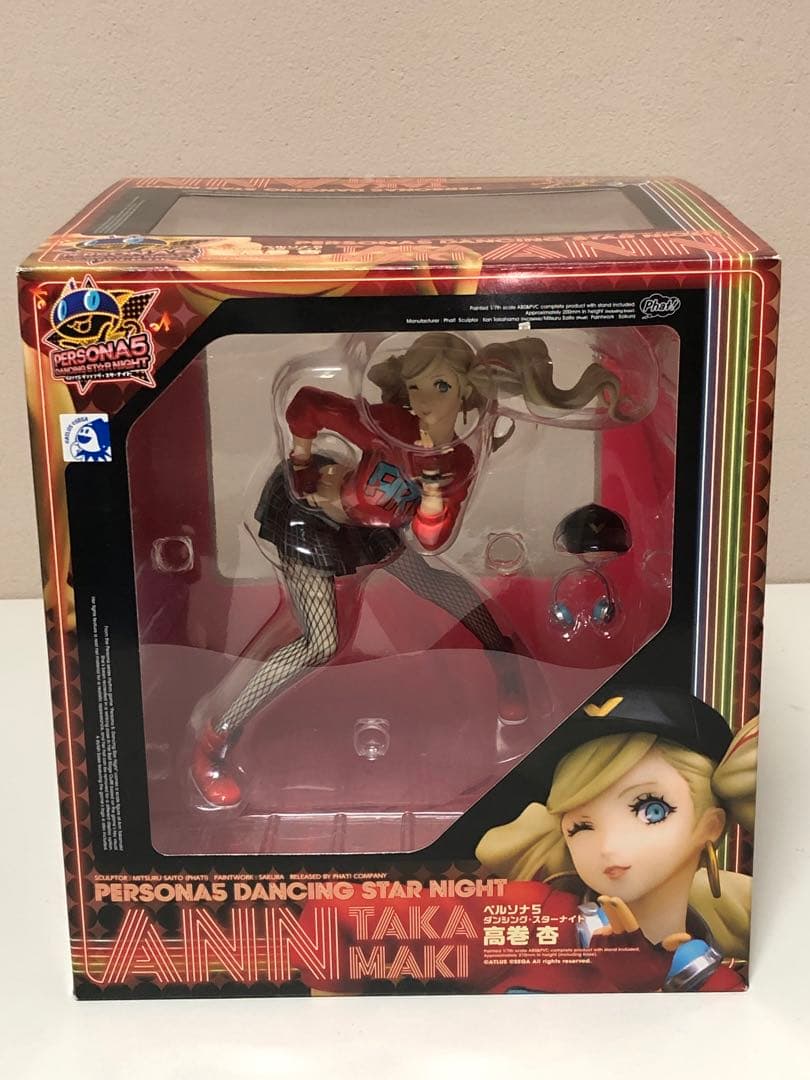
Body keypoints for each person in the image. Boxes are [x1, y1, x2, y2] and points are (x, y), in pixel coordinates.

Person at [192, 332, 624, 807]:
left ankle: (506, 663)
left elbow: (432, 540)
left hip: (367, 528)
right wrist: (301, 460)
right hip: (308, 523)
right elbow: (308, 404)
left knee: (434, 580)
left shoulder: (456, 460)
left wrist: (433, 502)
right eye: (416, 387)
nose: (423, 401)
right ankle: (217, 737)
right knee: (321, 642)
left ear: (466, 391)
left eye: (440, 387)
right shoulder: (391, 424)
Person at [475, 686, 755, 991]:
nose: (608, 846)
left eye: (651, 810)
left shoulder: (721, 990)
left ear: (710, 826)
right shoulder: (530, 917)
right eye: (581, 826)